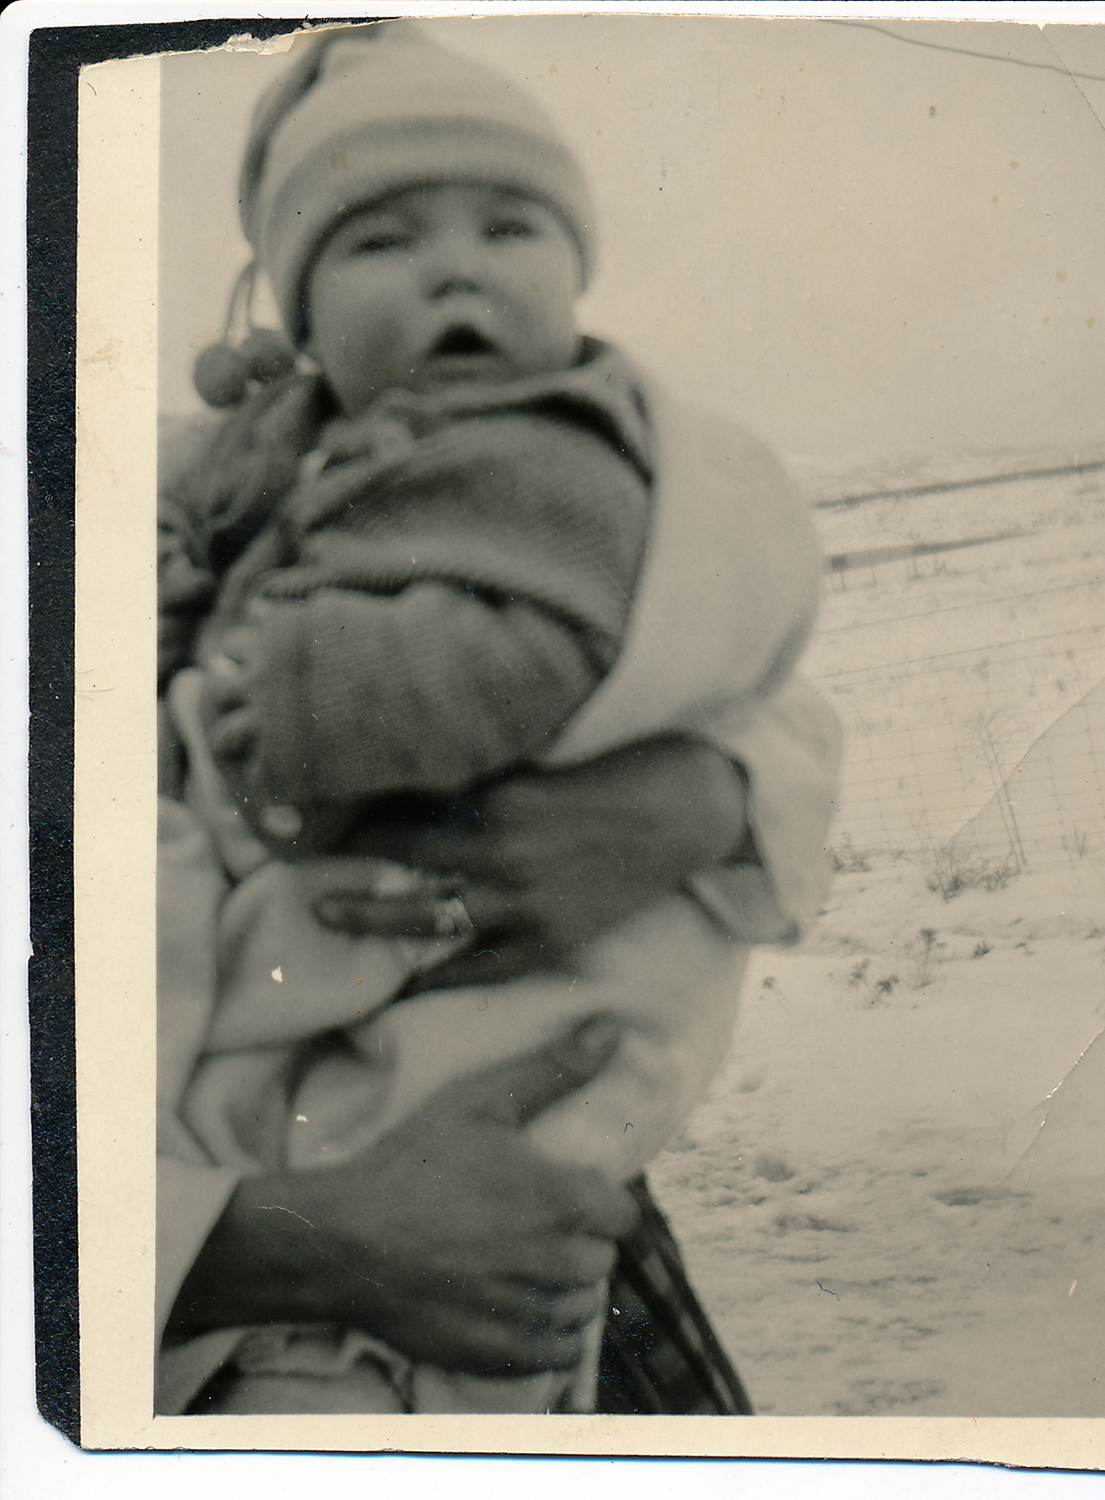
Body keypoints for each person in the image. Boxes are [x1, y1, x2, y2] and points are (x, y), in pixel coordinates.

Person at [156, 22, 839, 1416]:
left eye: (507, 226)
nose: (454, 271)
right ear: (295, 313)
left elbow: (738, 659)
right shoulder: (182, 498)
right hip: (221, 1281)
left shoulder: (580, 456)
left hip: (522, 1167)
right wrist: (282, 1241)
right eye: (379, 240)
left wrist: (700, 795)